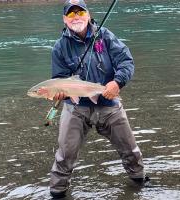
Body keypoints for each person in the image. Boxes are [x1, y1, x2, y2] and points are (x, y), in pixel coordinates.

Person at [49, 0, 149, 198]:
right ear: (64, 19)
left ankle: (141, 186)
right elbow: (58, 80)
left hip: (108, 102)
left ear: (88, 15)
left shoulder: (105, 36)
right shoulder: (59, 47)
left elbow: (126, 61)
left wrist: (117, 83)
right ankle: (57, 193)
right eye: (70, 14)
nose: (76, 16)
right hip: (75, 107)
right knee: (64, 156)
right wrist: (59, 93)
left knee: (130, 150)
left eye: (80, 12)